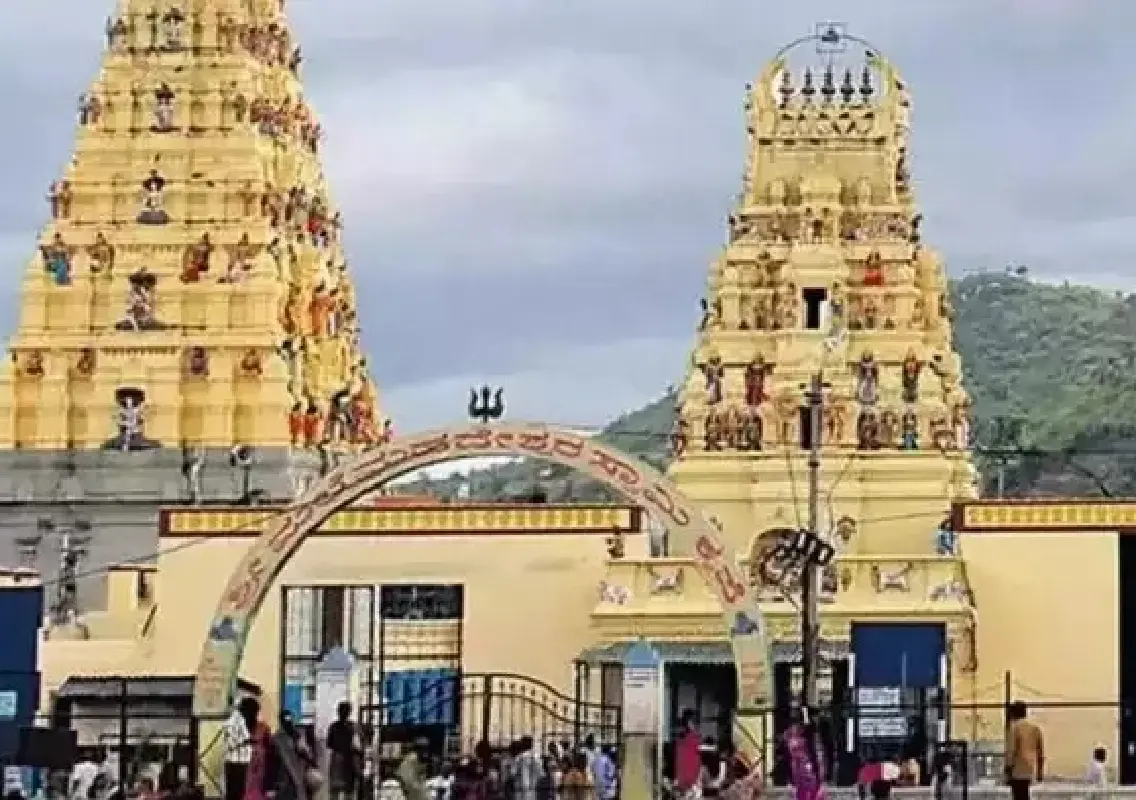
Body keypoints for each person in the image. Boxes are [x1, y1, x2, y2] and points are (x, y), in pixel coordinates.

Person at [1005, 701, 1044, 800]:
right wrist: (1040, 770)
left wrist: (1008, 768)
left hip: (1017, 768)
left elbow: (1011, 750)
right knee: (1025, 794)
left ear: (1014, 713)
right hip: (1030, 767)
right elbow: (1040, 751)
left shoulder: (1014, 728)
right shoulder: (1035, 728)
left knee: (1018, 795)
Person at [785, 712, 825, 800]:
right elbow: (788, 758)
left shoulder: (808, 742)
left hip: (807, 770)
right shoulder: (791, 739)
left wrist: (821, 783)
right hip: (799, 771)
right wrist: (790, 782)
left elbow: (816, 760)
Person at [223, 699, 257, 800]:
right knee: (234, 793)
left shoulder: (244, 720)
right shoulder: (233, 722)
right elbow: (230, 743)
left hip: (243, 761)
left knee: (242, 792)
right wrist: (246, 741)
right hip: (235, 762)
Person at [326, 702, 361, 800]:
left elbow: (329, 744)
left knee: (334, 791)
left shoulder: (333, 726)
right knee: (349, 791)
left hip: (337, 759)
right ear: (349, 712)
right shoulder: (354, 727)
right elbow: (358, 746)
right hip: (349, 761)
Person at [674, 711, 703, 800]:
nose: (689, 724)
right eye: (687, 721)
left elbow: (698, 760)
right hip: (685, 781)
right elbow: (679, 759)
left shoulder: (695, 737)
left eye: (690, 721)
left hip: (691, 782)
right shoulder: (683, 739)